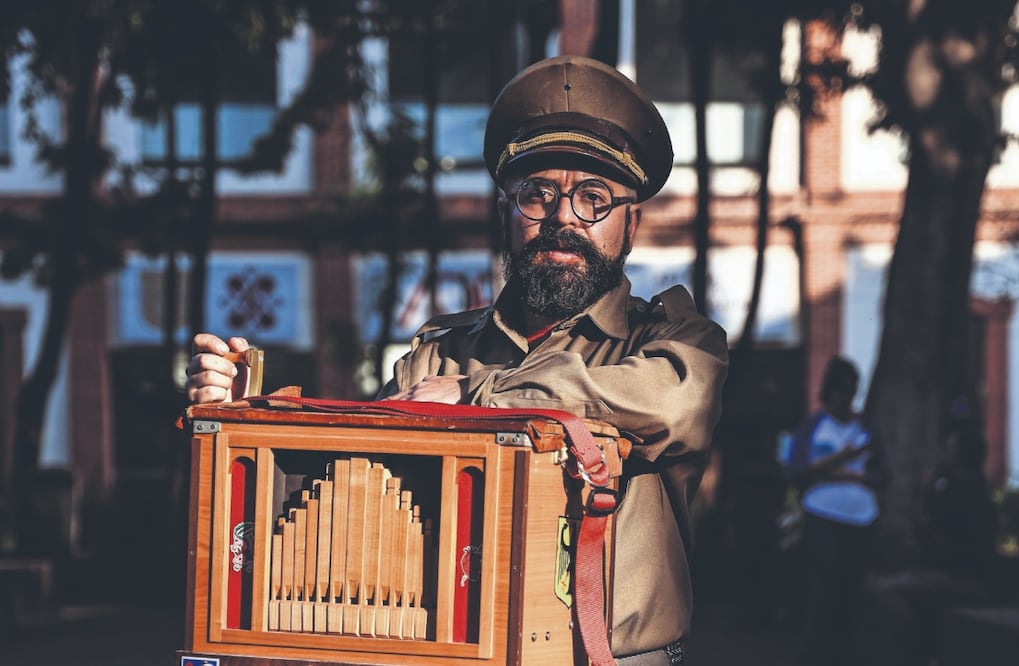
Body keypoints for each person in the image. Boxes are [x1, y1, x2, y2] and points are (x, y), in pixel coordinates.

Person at [186, 55, 730, 665]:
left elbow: (673, 403)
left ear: (631, 225)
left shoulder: (676, 344)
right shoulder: (438, 351)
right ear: (504, 212)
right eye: (537, 195)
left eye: (594, 199)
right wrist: (240, 423)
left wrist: (477, 397)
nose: (562, 219)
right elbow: (361, 491)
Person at [859, 415, 996, 666]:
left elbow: (932, 532)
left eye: (949, 449)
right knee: (894, 583)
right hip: (959, 575)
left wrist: (929, 487)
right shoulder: (977, 487)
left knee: (883, 591)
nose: (944, 454)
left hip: (962, 580)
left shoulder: (960, 490)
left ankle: (916, 653)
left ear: (959, 455)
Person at [783, 356, 888, 666]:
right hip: (821, 515)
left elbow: (885, 474)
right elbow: (795, 468)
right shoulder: (815, 425)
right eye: (841, 391)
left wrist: (858, 477)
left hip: (861, 518)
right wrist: (838, 462)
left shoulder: (867, 427)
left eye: (851, 391)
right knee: (823, 589)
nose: (846, 398)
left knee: (852, 590)